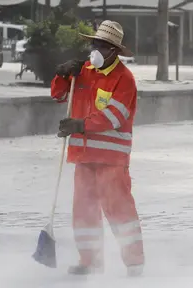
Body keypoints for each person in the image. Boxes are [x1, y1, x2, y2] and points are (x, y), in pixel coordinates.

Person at [50, 20, 145, 277]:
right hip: (83, 155)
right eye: (94, 43)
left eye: (103, 45)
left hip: (111, 159)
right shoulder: (84, 71)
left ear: (114, 50)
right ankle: (89, 261)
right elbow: (58, 95)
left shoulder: (124, 79)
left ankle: (134, 263)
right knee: (84, 210)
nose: (96, 49)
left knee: (118, 208)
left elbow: (115, 117)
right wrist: (62, 73)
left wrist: (79, 125)